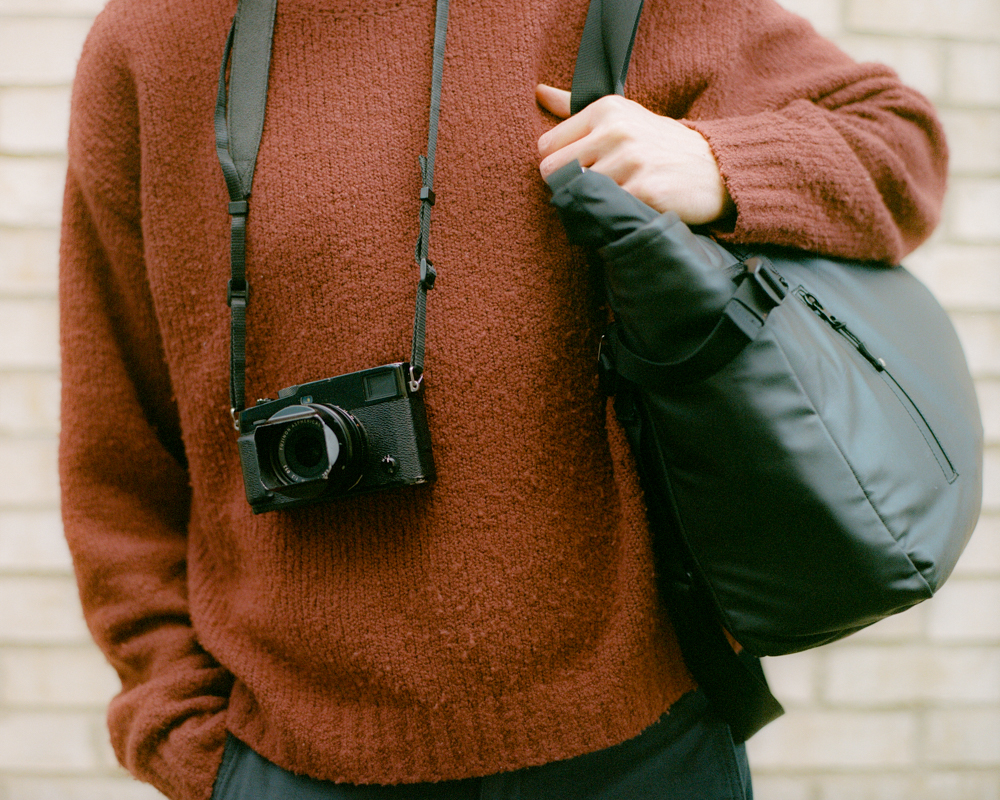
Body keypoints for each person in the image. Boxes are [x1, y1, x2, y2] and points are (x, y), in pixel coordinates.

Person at [58, 0, 947, 798]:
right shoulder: (153, 37)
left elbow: (899, 140)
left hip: (638, 746)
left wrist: (719, 163)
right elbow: (115, 440)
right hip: (285, 756)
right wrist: (186, 738)